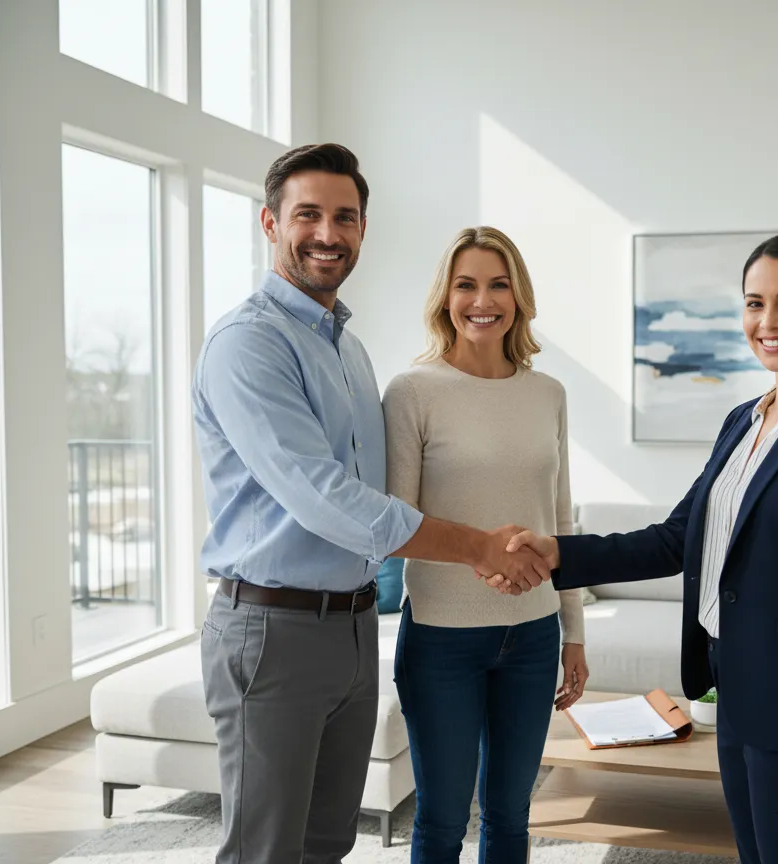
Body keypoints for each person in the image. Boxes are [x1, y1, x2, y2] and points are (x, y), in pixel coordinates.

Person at [191, 145, 551, 864]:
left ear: (362, 229)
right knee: (266, 849)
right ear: (270, 223)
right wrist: (479, 547)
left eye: (346, 217)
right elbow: (325, 499)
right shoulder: (249, 343)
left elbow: (383, 493)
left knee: (328, 842)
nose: (328, 234)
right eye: (308, 215)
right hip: (273, 629)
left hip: (353, 628)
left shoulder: (346, 350)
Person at [493, 231, 778, 864]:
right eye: (754, 303)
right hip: (736, 695)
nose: (768, 321)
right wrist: (559, 554)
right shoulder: (743, 419)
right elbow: (679, 538)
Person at [382, 226, 589, 864]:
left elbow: (560, 518)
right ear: (445, 297)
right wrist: (481, 556)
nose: (482, 300)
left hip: (534, 636)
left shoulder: (548, 393)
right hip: (442, 638)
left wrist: (574, 633)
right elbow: (395, 525)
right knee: (442, 820)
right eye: (466, 285)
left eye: (499, 284)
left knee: (510, 815)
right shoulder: (412, 392)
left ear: (518, 296)